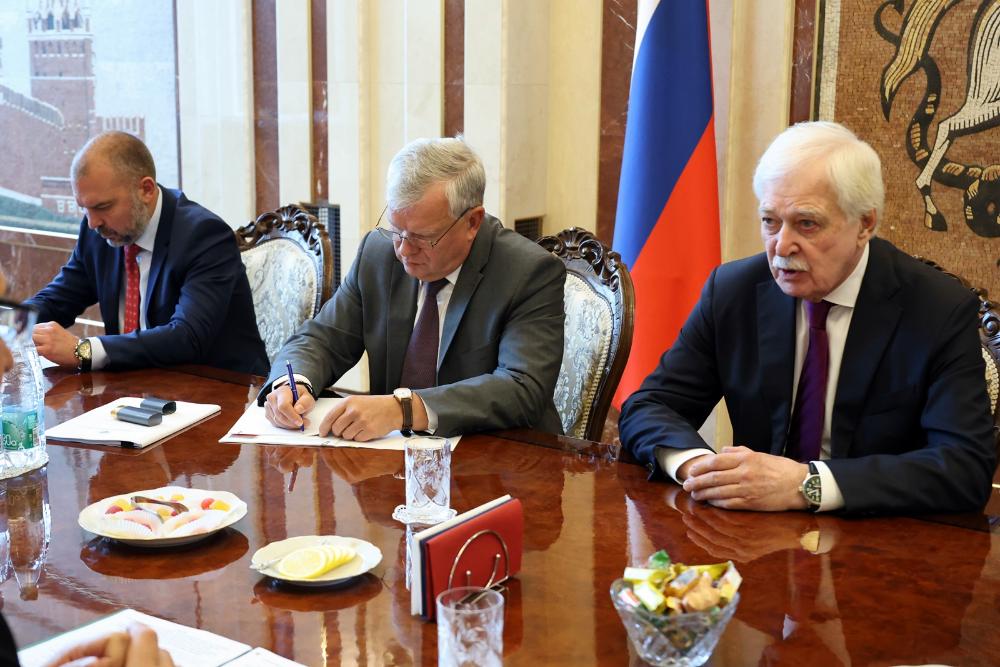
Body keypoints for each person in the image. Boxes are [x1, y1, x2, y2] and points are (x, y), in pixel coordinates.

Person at [619, 121, 996, 514]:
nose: (782, 246)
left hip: (876, 533)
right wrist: (704, 471)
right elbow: (649, 407)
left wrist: (806, 484)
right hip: (754, 529)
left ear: (865, 224)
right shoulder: (733, 291)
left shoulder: (938, 308)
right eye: (770, 221)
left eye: (807, 224)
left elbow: (964, 467)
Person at [262, 137, 565, 440]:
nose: (404, 250)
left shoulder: (527, 272)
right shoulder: (378, 254)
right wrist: (293, 382)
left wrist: (405, 409)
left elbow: (522, 388)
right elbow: (323, 339)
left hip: (500, 453)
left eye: (423, 237)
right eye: (396, 230)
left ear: (472, 222)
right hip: (394, 454)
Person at [26, 131, 268, 375]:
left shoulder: (204, 236)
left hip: (218, 386)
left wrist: (83, 351)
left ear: (146, 190)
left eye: (103, 206)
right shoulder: (98, 232)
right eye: (84, 208)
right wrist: (13, 325)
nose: (92, 222)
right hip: (133, 383)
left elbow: (187, 337)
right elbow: (58, 299)